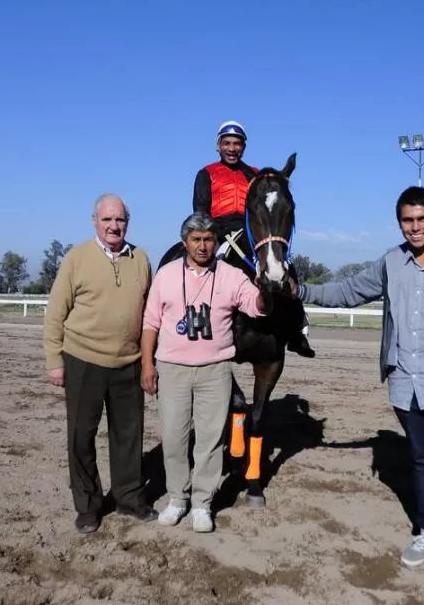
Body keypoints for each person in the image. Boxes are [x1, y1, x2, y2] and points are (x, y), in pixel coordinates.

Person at [292, 186, 424, 584]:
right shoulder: (390, 262)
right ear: (400, 223)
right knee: (423, 461)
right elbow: (348, 291)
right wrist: (301, 291)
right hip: (405, 383)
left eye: (422, 219)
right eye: (407, 220)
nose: (415, 227)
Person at [140, 212, 268, 533]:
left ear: (216, 242)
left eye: (208, 239)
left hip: (215, 371)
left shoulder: (229, 275)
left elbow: (255, 305)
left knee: (210, 441)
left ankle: (201, 503)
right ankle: (177, 499)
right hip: (172, 370)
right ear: (185, 243)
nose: (202, 246)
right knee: (173, 438)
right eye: (196, 239)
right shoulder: (166, 275)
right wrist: (147, 364)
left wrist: (269, 291)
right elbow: (150, 323)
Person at [43, 193, 158, 534]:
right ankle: (88, 506)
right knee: (82, 436)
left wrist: (149, 359)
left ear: (127, 223)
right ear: (95, 221)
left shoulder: (141, 259)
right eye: (107, 219)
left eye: (119, 220)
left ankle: (129, 497)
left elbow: (151, 312)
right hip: (83, 360)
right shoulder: (76, 258)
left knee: (128, 436)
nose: (113, 226)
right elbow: (55, 314)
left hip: (129, 362)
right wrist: (54, 360)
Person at [192, 120, 313, 358]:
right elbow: (199, 210)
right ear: (218, 146)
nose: (232, 148)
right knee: (206, 268)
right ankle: (201, 322)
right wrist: (211, 232)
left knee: (284, 264)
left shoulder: (256, 174)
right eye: (227, 143)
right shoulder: (206, 173)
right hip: (218, 230)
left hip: (252, 229)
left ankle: (298, 330)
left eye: (237, 144)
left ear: (243, 147)